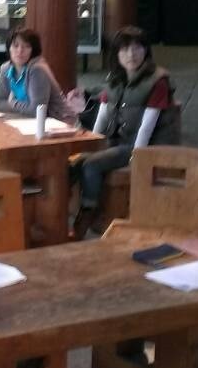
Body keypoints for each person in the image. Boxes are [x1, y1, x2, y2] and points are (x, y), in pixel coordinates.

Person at [72, 27, 178, 235]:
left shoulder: (158, 81)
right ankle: (72, 209)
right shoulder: (115, 77)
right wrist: (93, 143)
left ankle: (88, 211)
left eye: (137, 48)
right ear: (116, 53)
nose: (131, 54)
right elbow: (103, 114)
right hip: (117, 140)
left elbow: (147, 127)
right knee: (74, 160)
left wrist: (136, 157)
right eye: (125, 49)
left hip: (143, 146)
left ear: (146, 50)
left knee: (92, 164)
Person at [0, 28, 75, 123]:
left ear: (33, 50)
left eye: (27, 46)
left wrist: (11, 103)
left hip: (59, 122)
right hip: (28, 119)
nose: (20, 51)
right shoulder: (6, 68)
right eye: (15, 45)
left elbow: (36, 110)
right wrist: (18, 106)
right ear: (9, 48)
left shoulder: (37, 69)